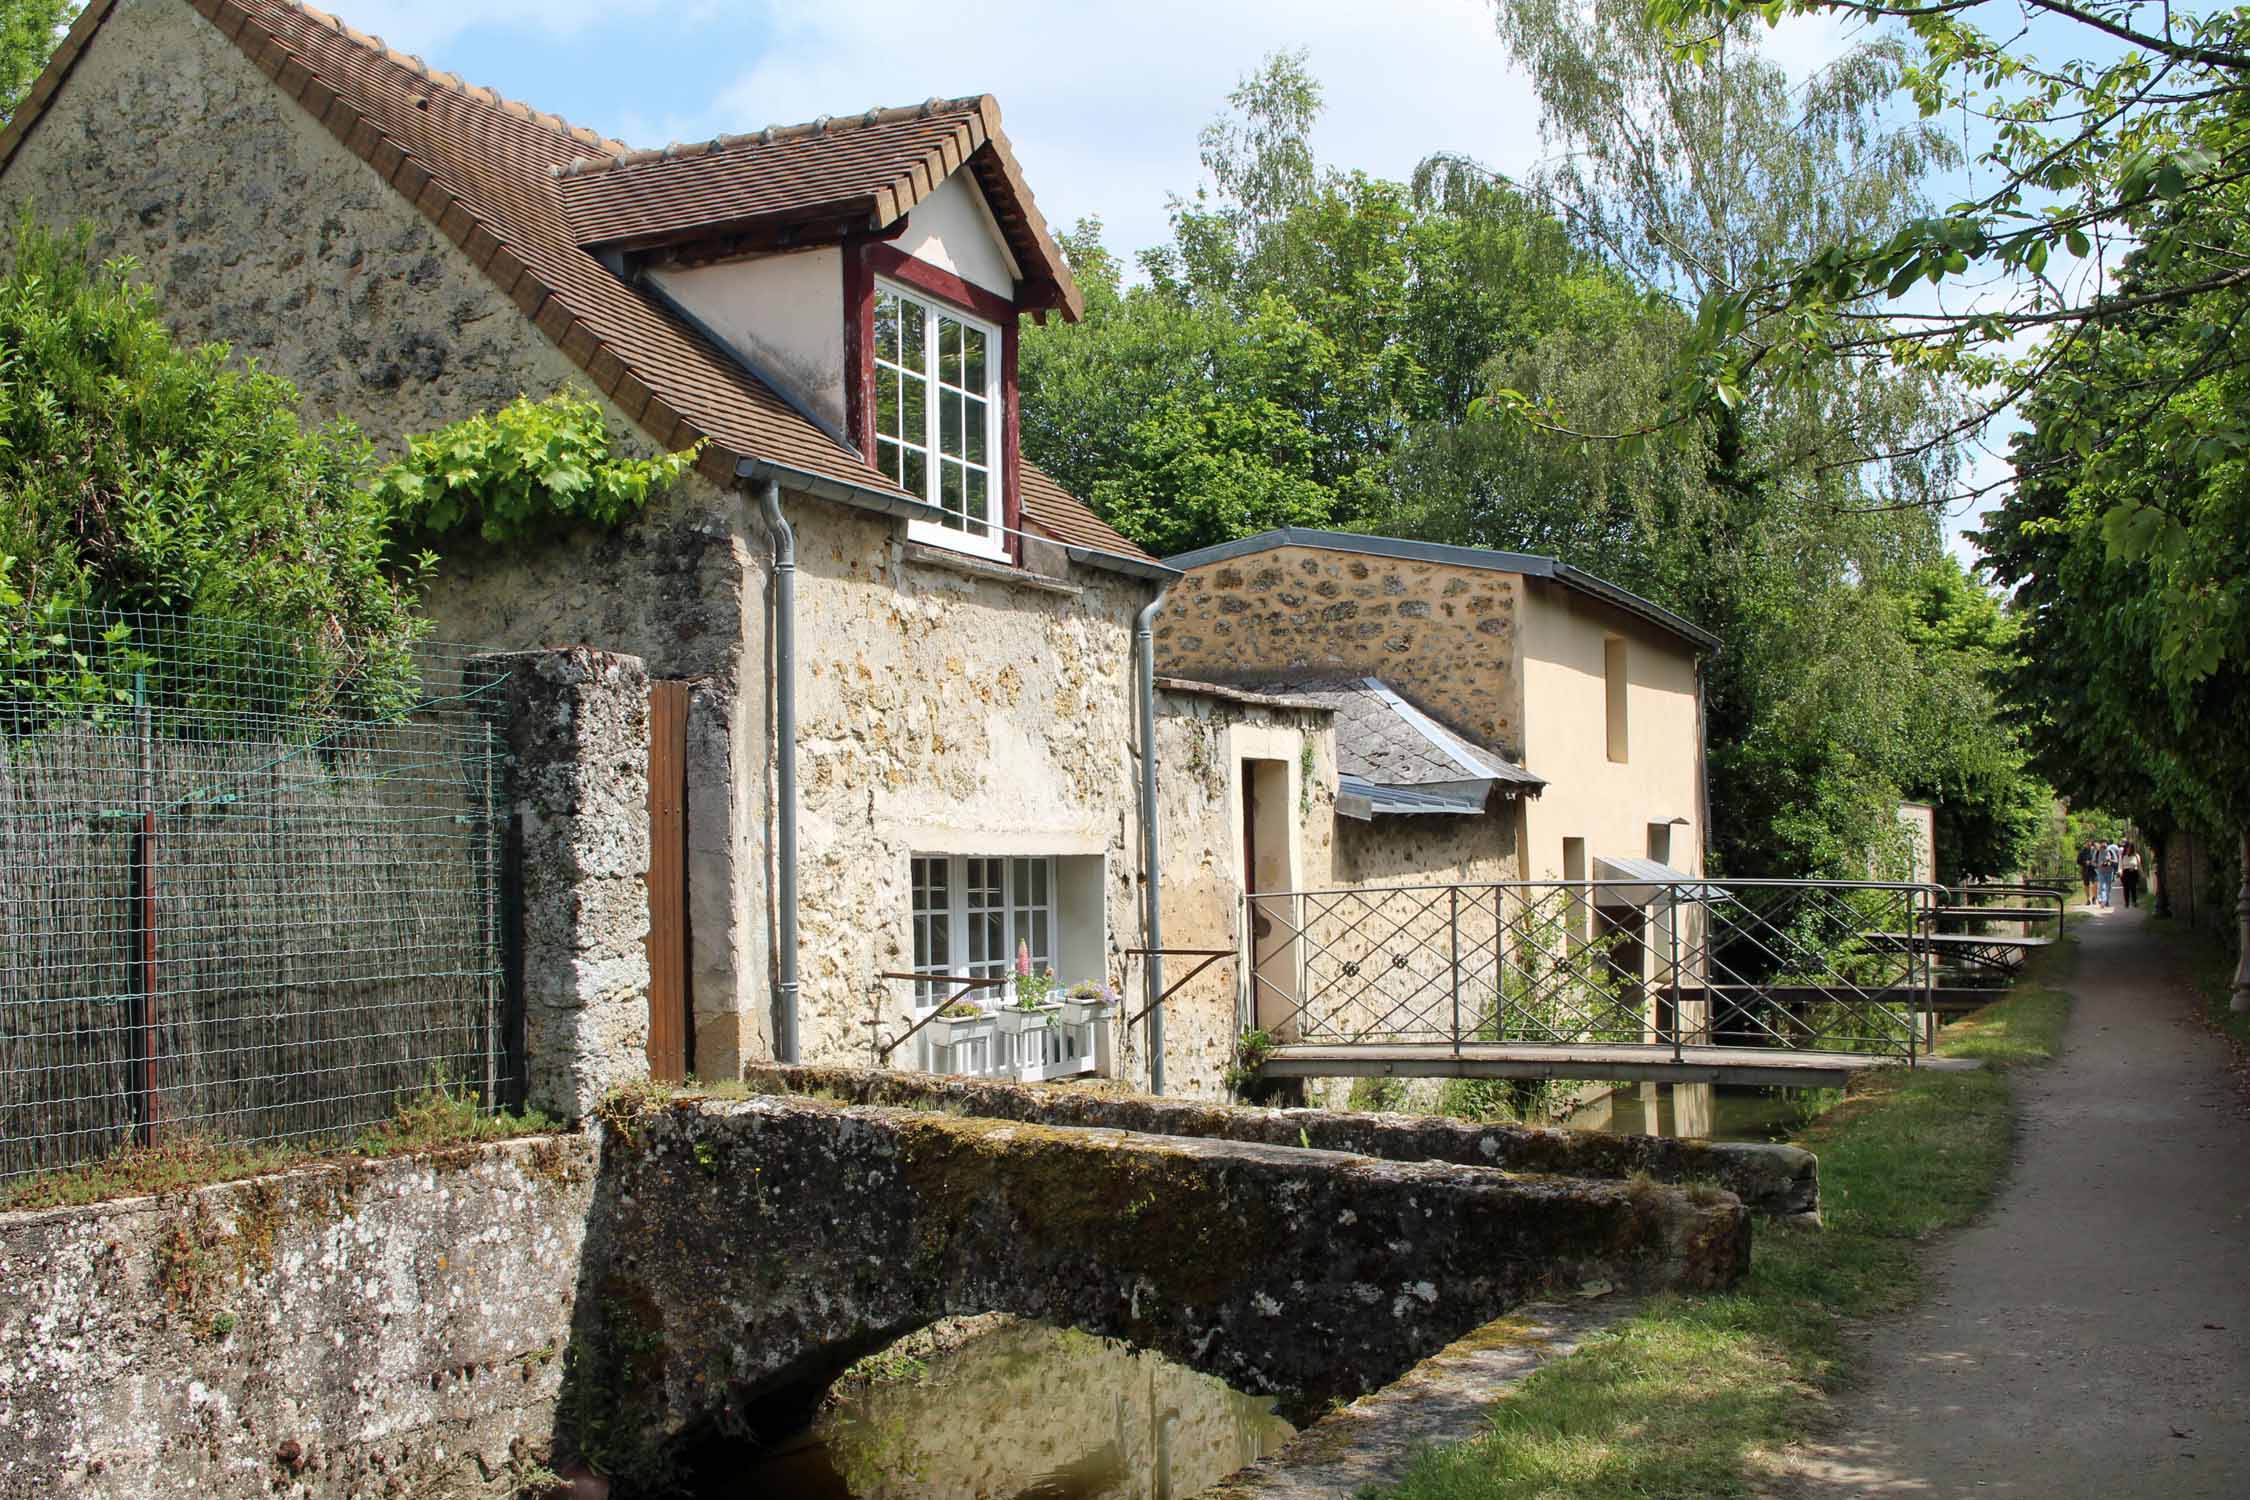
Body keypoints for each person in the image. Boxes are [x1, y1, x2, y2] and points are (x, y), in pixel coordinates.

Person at [2120, 841, 2144, 909]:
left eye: (2130, 848)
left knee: (2133, 887)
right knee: (2126, 888)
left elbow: (2139, 865)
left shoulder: (2136, 855)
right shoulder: (2123, 856)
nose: (2129, 849)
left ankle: (2134, 901)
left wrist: (2142, 873)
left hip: (2133, 872)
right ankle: (2126, 902)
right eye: (2127, 847)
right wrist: (2120, 872)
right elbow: (2121, 865)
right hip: (2126, 873)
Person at [2097, 839, 2120, 908]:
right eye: (2102, 844)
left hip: (2109, 872)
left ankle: (2107, 901)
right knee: (2103, 887)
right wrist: (2099, 864)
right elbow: (2093, 862)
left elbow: (2116, 861)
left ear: (2107, 844)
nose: (2104, 845)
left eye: (2105, 844)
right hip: (2101, 872)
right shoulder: (2097, 852)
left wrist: (2109, 860)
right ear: (2100, 844)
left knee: (2108, 887)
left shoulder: (2110, 851)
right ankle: (2104, 901)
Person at [2077, 840, 2097, 904]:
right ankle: (2088, 899)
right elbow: (2078, 861)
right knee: (2086, 885)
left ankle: (2094, 897)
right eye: (2087, 843)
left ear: (2091, 843)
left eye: (2089, 842)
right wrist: (2085, 862)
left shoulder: (2094, 851)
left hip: (2093, 870)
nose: (2088, 844)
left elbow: (2098, 859)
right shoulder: (2082, 852)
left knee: (2095, 884)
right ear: (2085, 844)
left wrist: (2092, 862)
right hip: (2085, 870)